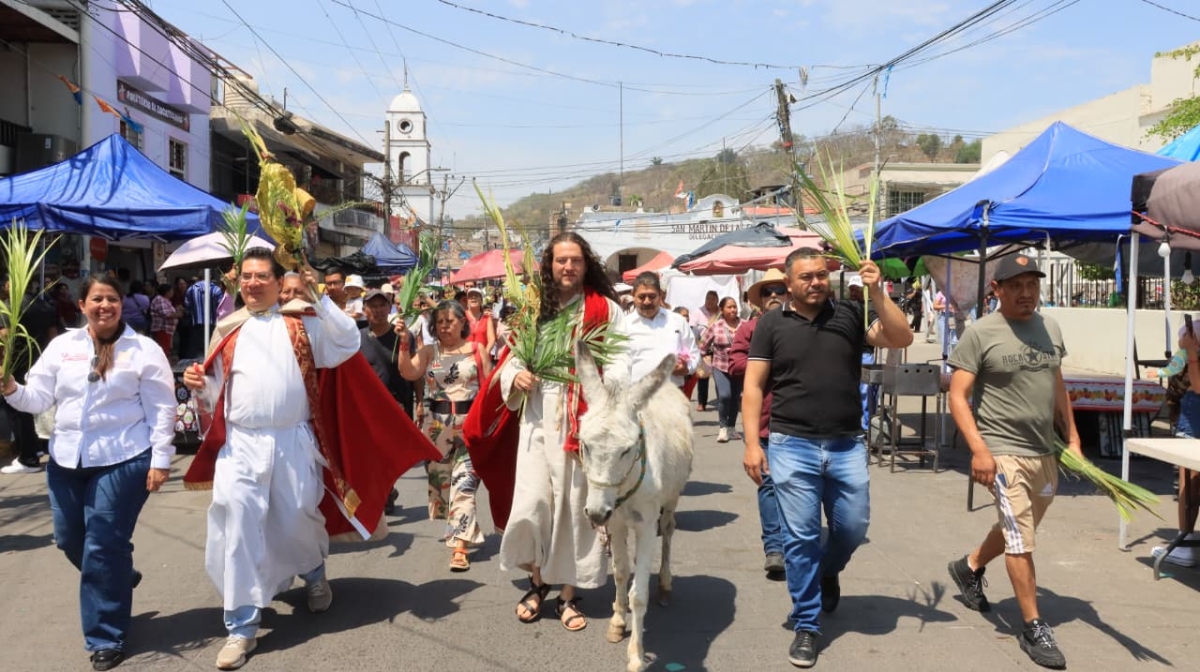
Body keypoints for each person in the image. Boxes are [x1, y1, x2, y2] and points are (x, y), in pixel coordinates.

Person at [181, 248, 361, 671]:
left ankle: (314, 575)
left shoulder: (304, 322)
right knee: (240, 528)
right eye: (246, 276)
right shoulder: (227, 329)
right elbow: (213, 394)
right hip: (241, 446)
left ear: (280, 283)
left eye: (262, 276)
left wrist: (319, 296)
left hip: (292, 441)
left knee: (298, 516)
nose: (253, 283)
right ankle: (241, 627)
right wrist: (197, 382)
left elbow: (348, 343)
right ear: (238, 281)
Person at [742, 248, 913, 668]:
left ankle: (827, 569)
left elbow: (901, 337)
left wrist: (878, 293)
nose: (816, 282)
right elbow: (753, 387)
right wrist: (751, 443)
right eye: (806, 277)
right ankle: (807, 624)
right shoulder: (771, 323)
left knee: (852, 528)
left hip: (845, 444)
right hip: (790, 445)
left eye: (821, 275)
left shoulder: (850, 315)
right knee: (799, 538)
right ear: (788, 283)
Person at [2, 275, 175, 670]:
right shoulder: (62, 347)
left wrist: (161, 460)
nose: (105, 306)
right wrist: (11, 387)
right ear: (82, 305)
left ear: (121, 305)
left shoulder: (143, 349)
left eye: (112, 298)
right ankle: (118, 573)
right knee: (68, 539)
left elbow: (163, 409)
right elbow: (39, 399)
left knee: (101, 545)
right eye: (97, 299)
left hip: (123, 458)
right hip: (66, 460)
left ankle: (105, 636)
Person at [945, 254, 1078, 670]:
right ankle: (1033, 627)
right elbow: (956, 395)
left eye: (1032, 285)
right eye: (1016, 286)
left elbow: (1057, 384)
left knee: (1018, 527)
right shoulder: (981, 334)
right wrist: (980, 450)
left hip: (1044, 452)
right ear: (996, 290)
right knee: (1021, 539)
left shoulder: (1049, 327)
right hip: (1002, 451)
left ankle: (968, 567)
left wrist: (1072, 437)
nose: (1026, 293)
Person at [498, 231, 629, 633]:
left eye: (575, 260)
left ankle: (567, 594)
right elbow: (514, 358)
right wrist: (515, 375)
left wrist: (604, 393)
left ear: (585, 264)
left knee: (574, 511)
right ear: (549, 265)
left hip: (583, 425)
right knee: (532, 506)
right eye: (560, 260)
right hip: (539, 418)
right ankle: (538, 582)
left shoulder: (606, 309)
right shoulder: (536, 309)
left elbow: (623, 359)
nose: (568, 267)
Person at [397, 299, 490, 571]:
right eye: (440, 321)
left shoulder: (476, 349)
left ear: (463, 322)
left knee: (465, 483)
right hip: (437, 428)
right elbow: (408, 371)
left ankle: (459, 545)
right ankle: (460, 525)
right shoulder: (429, 352)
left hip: (470, 426)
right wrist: (404, 342)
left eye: (450, 321)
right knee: (443, 485)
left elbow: (488, 388)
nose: (445, 326)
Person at [729, 269, 788, 578]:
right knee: (768, 486)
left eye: (780, 289)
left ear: (789, 292)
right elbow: (735, 363)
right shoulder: (749, 329)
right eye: (768, 292)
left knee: (798, 487)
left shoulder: (801, 326)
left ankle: (795, 543)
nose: (774, 295)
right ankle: (775, 548)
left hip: (801, 423)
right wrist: (765, 361)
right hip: (763, 422)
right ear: (761, 300)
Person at [0, 278, 62, 475]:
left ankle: (28, 458)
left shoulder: (10, 307)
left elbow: (4, 336)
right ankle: (36, 447)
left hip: (17, 364)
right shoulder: (43, 305)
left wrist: (4, 365)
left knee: (18, 409)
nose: (4, 286)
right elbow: (53, 335)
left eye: (6, 283)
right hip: (40, 361)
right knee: (37, 406)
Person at [1151, 326, 1200, 567]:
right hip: (1192, 407)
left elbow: (1198, 385)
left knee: (1188, 480)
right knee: (1189, 478)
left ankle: (1186, 542)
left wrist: (1190, 351)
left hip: (1194, 409)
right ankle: (1186, 540)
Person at [624, 272, 698, 387]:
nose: (647, 301)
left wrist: (686, 368)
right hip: (637, 397)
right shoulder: (624, 325)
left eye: (652, 296)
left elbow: (694, 354)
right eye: (642, 296)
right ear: (633, 295)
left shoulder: (677, 321)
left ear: (660, 295)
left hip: (672, 395)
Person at [700, 296, 743, 443]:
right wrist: (700, 359)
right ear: (722, 310)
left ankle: (731, 428)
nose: (733, 309)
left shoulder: (744, 324)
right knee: (725, 396)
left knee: (735, 398)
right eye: (729, 307)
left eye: (735, 306)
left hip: (739, 367)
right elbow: (703, 345)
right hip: (720, 366)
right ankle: (723, 428)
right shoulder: (716, 326)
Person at [845, 275, 878, 431]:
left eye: (857, 289)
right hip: (848, 354)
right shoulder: (846, 307)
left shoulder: (870, 309)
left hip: (865, 354)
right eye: (852, 289)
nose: (854, 292)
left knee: (865, 391)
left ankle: (866, 426)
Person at [182, 275, 225, 360]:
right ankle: (212, 364)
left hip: (196, 323)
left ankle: (191, 365)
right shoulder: (216, 289)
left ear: (199, 278)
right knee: (212, 346)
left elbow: (187, 305)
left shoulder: (191, 289)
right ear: (210, 277)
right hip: (211, 323)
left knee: (193, 347)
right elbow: (221, 306)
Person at [690, 290, 719, 412]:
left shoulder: (720, 313)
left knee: (720, 376)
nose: (710, 301)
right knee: (703, 376)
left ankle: (723, 400)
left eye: (713, 299)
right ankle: (702, 402)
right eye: (708, 298)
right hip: (704, 347)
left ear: (717, 300)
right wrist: (697, 344)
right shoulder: (698, 313)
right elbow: (692, 329)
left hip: (719, 347)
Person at [149, 283, 181, 360]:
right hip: (162, 329)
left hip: (167, 330)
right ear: (167, 292)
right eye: (171, 291)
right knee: (163, 350)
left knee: (166, 349)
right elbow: (167, 314)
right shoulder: (160, 300)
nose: (172, 292)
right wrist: (179, 314)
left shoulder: (165, 300)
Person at [464, 287, 497, 357]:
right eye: (470, 296)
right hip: (465, 357)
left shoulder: (487, 318)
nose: (473, 298)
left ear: (481, 300)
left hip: (483, 357)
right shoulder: (462, 316)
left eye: (476, 296)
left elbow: (491, 339)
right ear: (467, 301)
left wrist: (484, 354)